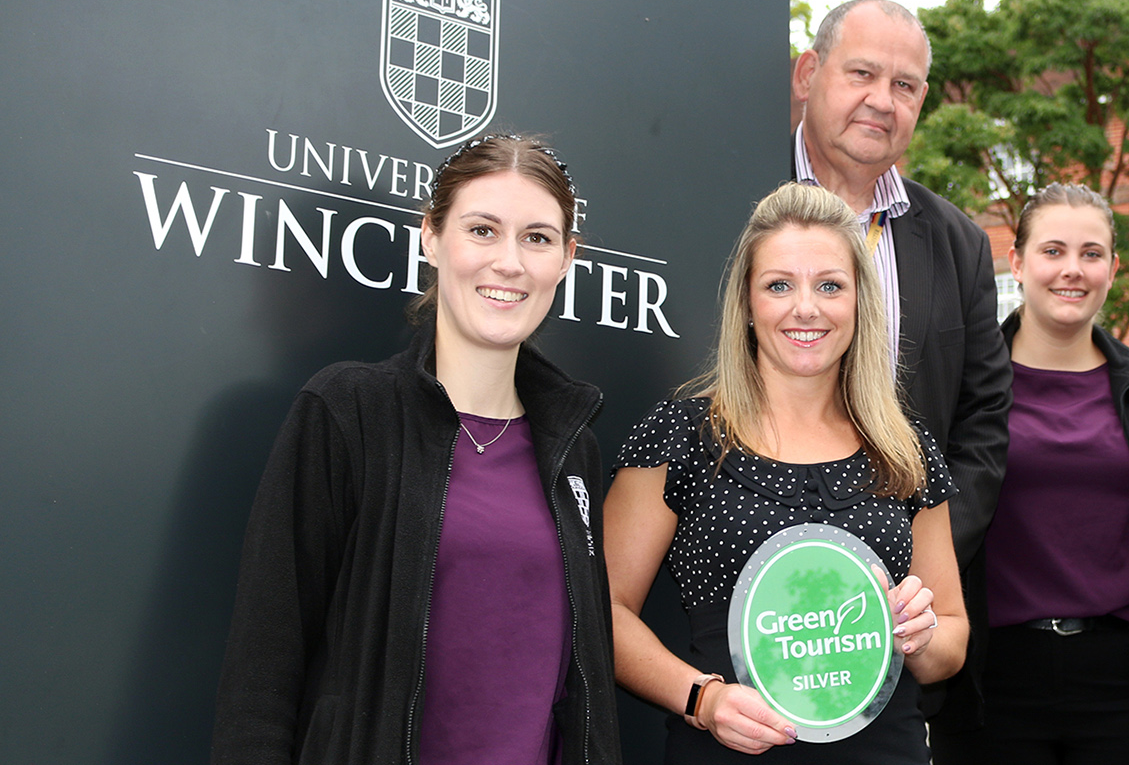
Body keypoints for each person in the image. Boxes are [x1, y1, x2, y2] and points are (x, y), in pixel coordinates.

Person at [211, 135, 621, 765]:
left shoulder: (574, 449)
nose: (509, 263)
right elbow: (262, 673)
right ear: (432, 236)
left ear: (566, 259)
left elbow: (584, 689)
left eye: (537, 238)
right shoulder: (348, 412)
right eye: (482, 230)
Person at [602, 183, 968, 763]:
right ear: (747, 304)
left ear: (858, 303)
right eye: (779, 285)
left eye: (830, 285)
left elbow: (951, 636)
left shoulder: (904, 447)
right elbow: (602, 610)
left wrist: (922, 638)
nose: (806, 308)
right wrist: (703, 700)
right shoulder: (684, 433)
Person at [929, 184, 1129, 764]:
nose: (1071, 270)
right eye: (1053, 251)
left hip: (1126, 687)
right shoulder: (962, 394)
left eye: (1091, 253)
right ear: (1018, 261)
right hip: (989, 681)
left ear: (1113, 267)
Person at [790, 0, 1011, 571]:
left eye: (905, 86)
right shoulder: (732, 196)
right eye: (862, 73)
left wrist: (921, 565)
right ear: (808, 74)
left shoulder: (960, 244)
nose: (882, 101)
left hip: (905, 601)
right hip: (745, 572)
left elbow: (982, 425)